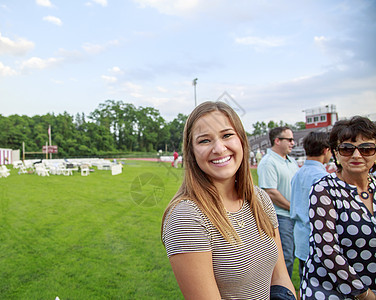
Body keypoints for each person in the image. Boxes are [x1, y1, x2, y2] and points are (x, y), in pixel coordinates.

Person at [162, 101, 296, 299]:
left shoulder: (260, 199)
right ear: (191, 152)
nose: (219, 148)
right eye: (204, 141)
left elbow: (281, 279)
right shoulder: (186, 217)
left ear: (241, 140)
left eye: (227, 135)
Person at [300, 116, 376, 300]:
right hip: (332, 291)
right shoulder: (324, 189)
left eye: (367, 149)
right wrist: (364, 294)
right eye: (347, 149)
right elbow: (328, 250)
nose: (357, 155)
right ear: (336, 153)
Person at [257, 126, 299, 278]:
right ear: (277, 141)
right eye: (289, 140)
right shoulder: (268, 162)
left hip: (293, 215)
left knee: (294, 254)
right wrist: (292, 207)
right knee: (285, 257)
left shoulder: (291, 161)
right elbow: (271, 192)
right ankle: (282, 291)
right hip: (280, 216)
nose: (292, 143)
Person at [290, 132, 331, 282]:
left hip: (300, 237)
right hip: (317, 241)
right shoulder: (323, 178)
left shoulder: (298, 173)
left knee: (305, 282)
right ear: (326, 150)